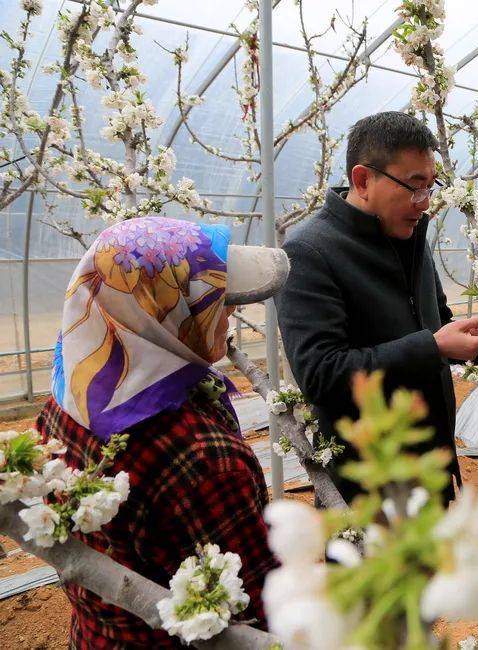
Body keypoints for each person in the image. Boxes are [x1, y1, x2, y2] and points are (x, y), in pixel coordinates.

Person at [36, 216, 289, 647]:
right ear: (160, 312)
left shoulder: (71, 396)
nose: (232, 311)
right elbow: (258, 608)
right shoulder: (201, 460)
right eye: (215, 299)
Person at [276, 111, 478, 503]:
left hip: (431, 468)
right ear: (363, 180)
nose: (424, 203)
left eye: (431, 187)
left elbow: (436, 323)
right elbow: (321, 373)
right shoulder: (310, 252)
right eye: (414, 187)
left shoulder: (409, 237)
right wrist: (434, 347)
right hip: (370, 488)